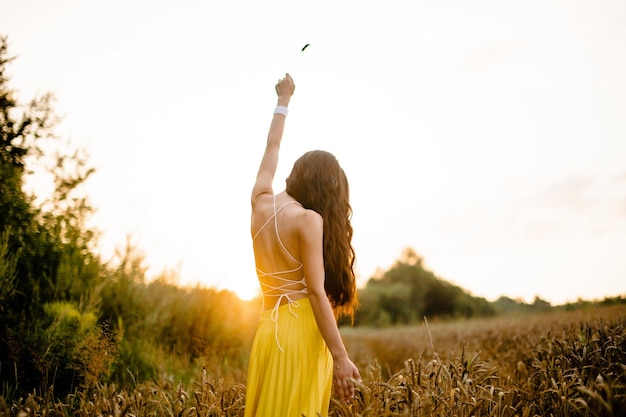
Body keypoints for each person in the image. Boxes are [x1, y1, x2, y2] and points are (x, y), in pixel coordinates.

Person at [244, 73, 361, 417]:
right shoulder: (309, 219)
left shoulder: (259, 199)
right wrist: (340, 357)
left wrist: (283, 101)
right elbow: (315, 292)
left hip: (268, 332)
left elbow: (272, 147)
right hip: (301, 337)